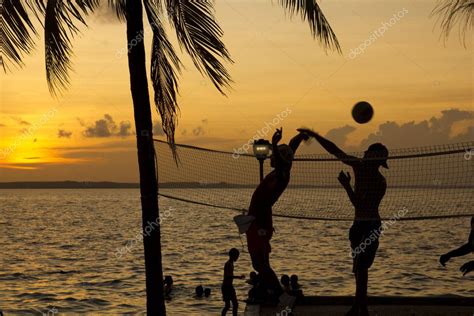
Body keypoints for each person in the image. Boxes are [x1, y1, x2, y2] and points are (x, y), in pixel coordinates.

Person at [299, 128, 388, 316]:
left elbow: (358, 204)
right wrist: (316, 135)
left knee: (361, 267)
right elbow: (335, 151)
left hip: (368, 225)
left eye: (367, 153)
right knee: (358, 267)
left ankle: (360, 307)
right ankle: (359, 306)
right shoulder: (366, 171)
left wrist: (347, 186)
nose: (363, 154)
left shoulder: (373, 177)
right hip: (363, 225)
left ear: (374, 158)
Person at [246, 128, 308, 301]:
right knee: (261, 263)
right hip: (257, 219)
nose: (271, 157)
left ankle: (282, 296)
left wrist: (274, 143)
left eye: (274, 155)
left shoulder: (282, 174)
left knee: (259, 264)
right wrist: (300, 137)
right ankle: (273, 292)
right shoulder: (281, 171)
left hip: (260, 220)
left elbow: (284, 159)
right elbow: (290, 151)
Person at [222, 248, 245, 316]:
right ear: (232, 256)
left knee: (233, 305)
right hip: (226, 287)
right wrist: (238, 277)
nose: (237, 258)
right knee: (229, 305)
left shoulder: (231, 263)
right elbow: (228, 276)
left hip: (229, 286)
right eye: (236, 256)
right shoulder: (228, 264)